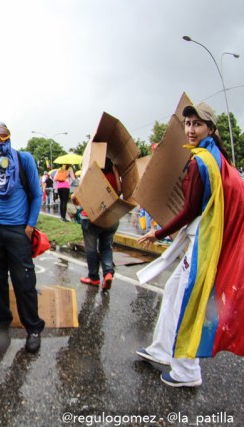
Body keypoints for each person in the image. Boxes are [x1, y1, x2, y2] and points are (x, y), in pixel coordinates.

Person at [136, 102, 244, 387]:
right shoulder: (215, 157)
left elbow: (190, 211)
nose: (190, 129)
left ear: (210, 128)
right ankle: (161, 348)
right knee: (173, 290)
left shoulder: (201, 162)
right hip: (207, 237)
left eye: (197, 124)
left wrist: (156, 234)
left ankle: (187, 371)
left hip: (203, 242)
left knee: (189, 301)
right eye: (188, 124)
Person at [0, 120, 45, 354]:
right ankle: (2, 326)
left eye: (3, 135)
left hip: (18, 230)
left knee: (24, 282)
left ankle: (33, 328)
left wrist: (30, 227)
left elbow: (36, 194)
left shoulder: (24, 160)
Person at [72, 158, 121, 290]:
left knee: (91, 249)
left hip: (91, 218)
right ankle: (108, 273)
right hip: (111, 217)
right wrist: (116, 171)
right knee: (106, 247)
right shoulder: (114, 173)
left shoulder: (91, 174)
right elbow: (119, 191)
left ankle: (93, 277)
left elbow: (76, 199)